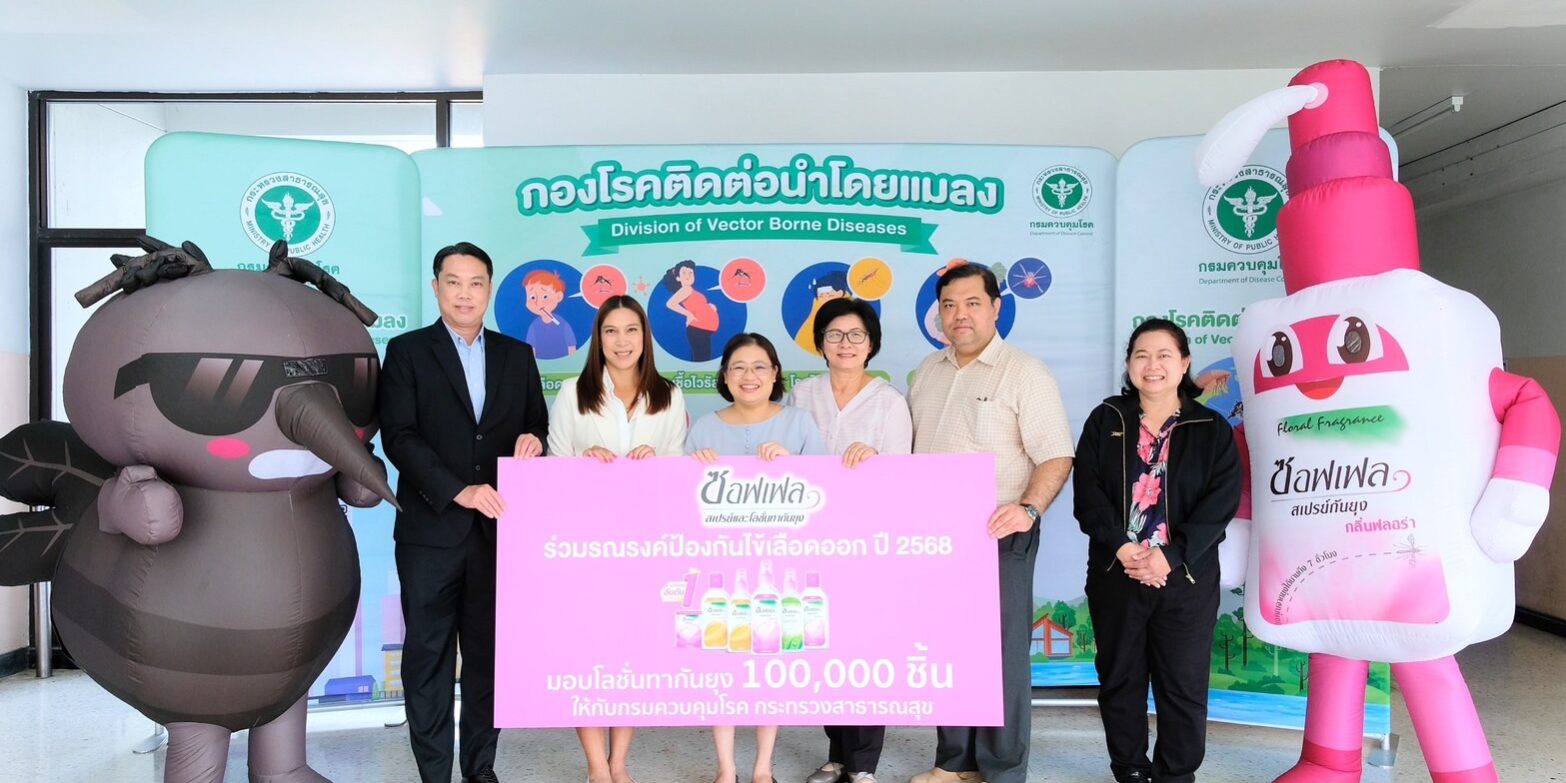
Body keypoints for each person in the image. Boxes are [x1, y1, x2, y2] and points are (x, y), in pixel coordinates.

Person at [380, 241, 549, 783]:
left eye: (475, 283)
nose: (464, 293)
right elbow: (399, 436)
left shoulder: (516, 355)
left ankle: (480, 770)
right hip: (430, 532)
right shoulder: (407, 351)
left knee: (488, 659)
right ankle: (435, 774)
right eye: (453, 282)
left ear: (489, 289)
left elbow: (537, 423)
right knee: (427, 658)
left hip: (498, 532)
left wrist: (534, 440)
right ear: (436, 287)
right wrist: (459, 491)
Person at [906, 262, 1074, 783]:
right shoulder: (927, 372)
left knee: (1001, 655)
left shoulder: (1024, 372)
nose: (960, 314)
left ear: (996, 308)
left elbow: (1056, 454)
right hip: (937, 538)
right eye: (949, 305)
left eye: (972, 303)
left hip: (1001, 531)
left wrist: (1028, 509)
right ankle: (955, 763)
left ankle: (1001, 770)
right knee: (948, 648)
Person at [1073, 318, 1240, 783]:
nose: (1153, 365)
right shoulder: (1106, 419)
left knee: (1183, 686)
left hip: (1185, 578)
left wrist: (1171, 554)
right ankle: (1129, 770)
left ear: (1184, 363)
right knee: (1120, 681)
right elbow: (1088, 495)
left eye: (1165, 355)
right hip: (1117, 573)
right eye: (1141, 355)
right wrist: (1123, 548)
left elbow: (1220, 503)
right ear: (1129, 364)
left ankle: (1175, 776)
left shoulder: (1211, 427)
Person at [547, 295, 688, 783]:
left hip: (644, 547)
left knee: (629, 652)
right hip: (585, 546)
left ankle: (620, 761)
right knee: (587, 652)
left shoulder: (668, 394)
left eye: (631, 330)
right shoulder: (573, 393)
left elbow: (678, 472)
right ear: (598, 338)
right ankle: (595, 766)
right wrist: (584, 462)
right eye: (611, 331)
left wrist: (657, 461)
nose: (622, 341)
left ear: (645, 337)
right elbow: (554, 465)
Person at [688, 332, 828, 783]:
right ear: (725, 376)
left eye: (759, 366)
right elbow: (680, 502)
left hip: (779, 568)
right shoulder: (704, 428)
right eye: (739, 367)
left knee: (772, 660)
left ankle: (763, 766)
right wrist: (695, 467)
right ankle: (725, 767)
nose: (749, 376)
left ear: (775, 374)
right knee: (722, 659)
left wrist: (793, 466)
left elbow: (827, 490)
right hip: (720, 567)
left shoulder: (799, 422)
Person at [792, 297, 911, 783]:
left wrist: (875, 459)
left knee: (864, 646)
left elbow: (902, 476)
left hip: (868, 543)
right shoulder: (802, 394)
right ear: (820, 343)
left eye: (856, 335)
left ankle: (863, 764)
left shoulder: (889, 401)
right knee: (824, 645)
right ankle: (837, 752)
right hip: (812, 540)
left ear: (871, 344)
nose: (846, 344)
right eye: (835, 335)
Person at [663, 259, 721, 362]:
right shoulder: (686, 289)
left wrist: (709, 306)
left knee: (701, 357)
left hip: (702, 329)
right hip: (698, 328)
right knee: (702, 358)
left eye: (691, 272)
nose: (688, 275)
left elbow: (696, 304)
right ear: (678, 277)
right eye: (684, 272)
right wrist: (688, 314)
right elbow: (670, 304)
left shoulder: (690, 290)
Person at [523, 268, 577, 359]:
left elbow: (572, 347)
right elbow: (531, 350)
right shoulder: (534, 326)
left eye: (545, 296)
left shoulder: (563, 324)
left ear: (558, 296)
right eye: (532, 297)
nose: (538, 303)